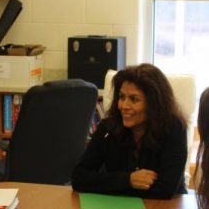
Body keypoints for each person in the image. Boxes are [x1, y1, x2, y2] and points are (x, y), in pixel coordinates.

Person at [71, 63, 188, 199]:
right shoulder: (108, 128)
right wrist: (128, 180)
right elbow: (78, 178)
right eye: (121, 97)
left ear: (153, 104)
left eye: (134, 99)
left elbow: (165, 190)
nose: (124, 106)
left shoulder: (174, 129)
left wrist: (109, 185)